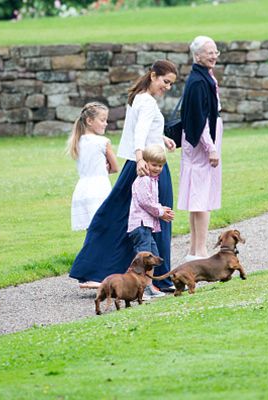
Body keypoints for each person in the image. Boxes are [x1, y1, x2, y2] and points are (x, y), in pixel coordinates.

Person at [69, 60, 178, 291]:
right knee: (159, 218)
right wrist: (140, 158)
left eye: (171, 84)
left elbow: (144, 130)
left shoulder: (137, 97)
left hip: (137, 162)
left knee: (117, 217)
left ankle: (96, 270)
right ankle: (160, 279)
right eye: (165, 82)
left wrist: (161, 138)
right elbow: (139, 133)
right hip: (148, 165)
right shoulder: (146, 102)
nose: (167, 87)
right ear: (153, 76)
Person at [178, 35, 223, 261]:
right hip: (201, 144)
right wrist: (211, 147)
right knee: (201, 196)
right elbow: (201, 119)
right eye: (209, 52)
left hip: (201, 142)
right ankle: (201, 251)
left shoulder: (203, 76)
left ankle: (194, 250)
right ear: (197, 56)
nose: (214, 55)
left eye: (216, 51)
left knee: (198, 196)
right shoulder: (198, 81)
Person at [127, 144, 175, 299]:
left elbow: (152, 201)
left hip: (147, 226)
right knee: (143, 259)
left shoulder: (153, 181)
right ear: (145, 162)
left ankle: (148, 286)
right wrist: (161, 212)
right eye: (154, 165)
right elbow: (145, 202)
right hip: (140, 225)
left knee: (153, 256)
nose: (157, 168)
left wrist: (162, 209)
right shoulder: (143, 180)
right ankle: (138, 288)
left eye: (160, 166)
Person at [67, 102, 119, 231]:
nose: (105, 123)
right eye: (102, 120)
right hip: (99, 188)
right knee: (105, 228)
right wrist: (105, 168)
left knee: (91, 231)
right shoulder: (103, 142)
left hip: (82, 189)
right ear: (89, 121)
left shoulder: (77, 142)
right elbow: (115, 168)